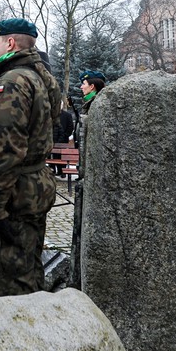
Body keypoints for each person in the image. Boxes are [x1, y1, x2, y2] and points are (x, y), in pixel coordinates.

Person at [0, 18, 60, 297]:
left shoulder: (12, 82)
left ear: (10, 43)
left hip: (14, 193)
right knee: (30, 268)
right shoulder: (38, 77)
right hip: (32, 186)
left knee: (12, 280)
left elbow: (6, 149)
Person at [70, 70, 106, 289]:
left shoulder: (97, 105)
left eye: (83, 83)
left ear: (92, 86)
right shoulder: (89, 104)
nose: (81, 87)